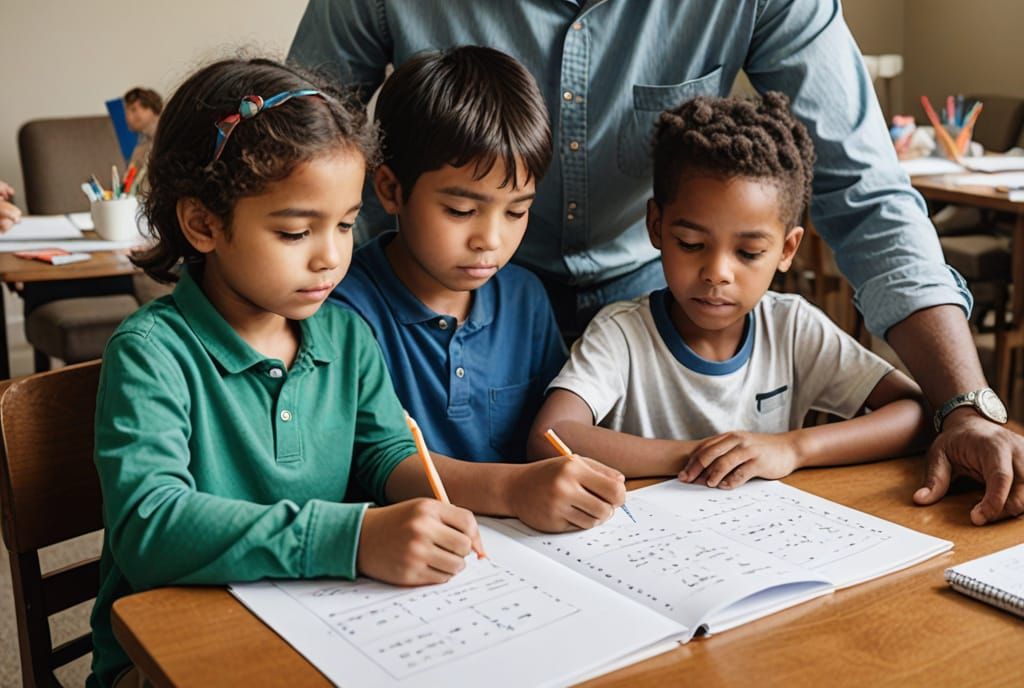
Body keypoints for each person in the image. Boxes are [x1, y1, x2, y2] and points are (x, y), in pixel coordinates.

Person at [291, 0, 1023, 522]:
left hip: (645, 335)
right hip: (429, 330)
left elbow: (859, 186)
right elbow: (305, 162)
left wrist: (966, 404)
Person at [88, 55, 623, 688]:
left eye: (345, 225)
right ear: (203, 223)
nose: (332, 257)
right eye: (295, 232)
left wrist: (510, 491)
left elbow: (387, 457)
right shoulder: (153, 351)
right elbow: (151, 529)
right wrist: (353, 537)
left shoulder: (343, 334)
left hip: (313, 622)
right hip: (167, 657)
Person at [530, 93, 928, 484]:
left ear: (787, 249)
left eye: (749, 252)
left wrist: (792, 448)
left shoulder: (791, 328)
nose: (717, 273)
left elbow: (915, 412)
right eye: (690, 244)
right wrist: (699, 456)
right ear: (656, 227)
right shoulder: (622, 334)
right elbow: (551, 436)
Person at [334, 47, 567, 462]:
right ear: (390, 190)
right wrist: (516, 489)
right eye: (461, 211)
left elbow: (553, 440)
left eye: (517, 211)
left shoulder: (525, 299)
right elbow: (370, 463)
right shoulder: (345, 310)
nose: (490, 240)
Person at [123, 85, 163, 172]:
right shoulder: (140, 150)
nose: (127, 117)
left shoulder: (172, 136)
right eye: (126, 112)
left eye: (133, 109)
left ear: (151, 108)